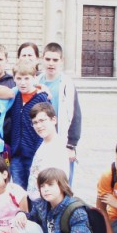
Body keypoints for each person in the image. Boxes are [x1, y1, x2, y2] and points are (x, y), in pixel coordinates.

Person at [5, 60, 49, 189]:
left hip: (34, 153)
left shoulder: (41, 97)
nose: (22, 83)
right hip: (16, 153)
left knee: (35, 189)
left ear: (34, 78)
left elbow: (46, 127)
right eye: (19, 78)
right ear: (14, 78)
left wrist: (39, 151)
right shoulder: (15, 96)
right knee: (19, 189)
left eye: (26, 78)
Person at [38, 42, 81, 172]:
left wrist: (71, 145)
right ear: (42, 59)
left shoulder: (67, 84)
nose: (51, 63)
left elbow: (75, 115)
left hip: (61, 138)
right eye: (48, 59)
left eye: (55, 60)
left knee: (63, 178)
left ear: (61, 61)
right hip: (40, 139)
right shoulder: (36, 81)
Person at [26, 102, 69, 203]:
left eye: (42, 120)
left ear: (54, 120)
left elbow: (60, 184)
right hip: (37, 202)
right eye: (35, 122)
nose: (39, 126)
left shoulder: (57, 147)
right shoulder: (44, 143)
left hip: (47, 203)